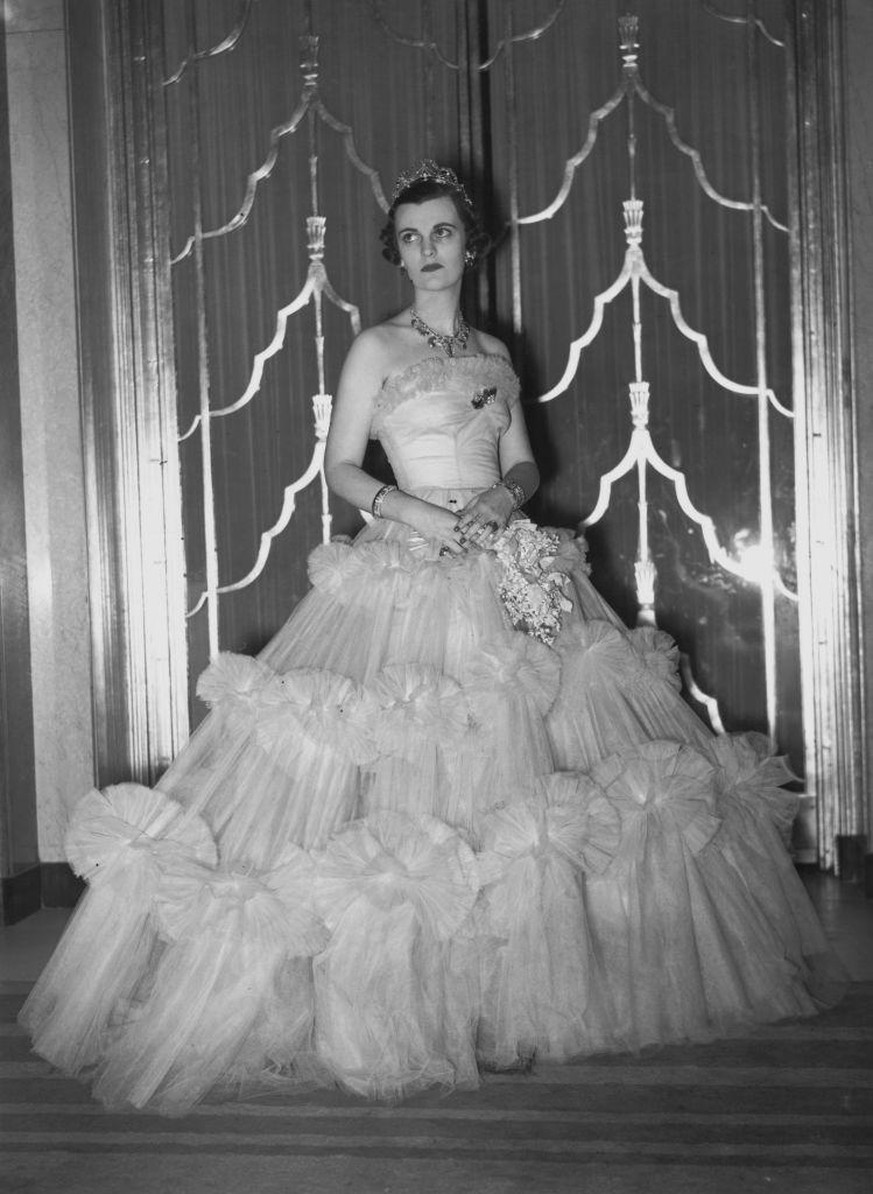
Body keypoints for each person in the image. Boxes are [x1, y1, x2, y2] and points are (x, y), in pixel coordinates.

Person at [20, 161, 844, 1114]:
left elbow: (528, 460)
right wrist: (418, 515)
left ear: (470, 242)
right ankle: (402, 999)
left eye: (441, 233)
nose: (426, 252)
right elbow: (338, 470)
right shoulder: (373, 346)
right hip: (408, 559)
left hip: (503, 555)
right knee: (411, 753)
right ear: (395, 251)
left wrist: (502, 499)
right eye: (409, 237)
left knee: (525, 771)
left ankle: (517, 995)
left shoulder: (499, 353)